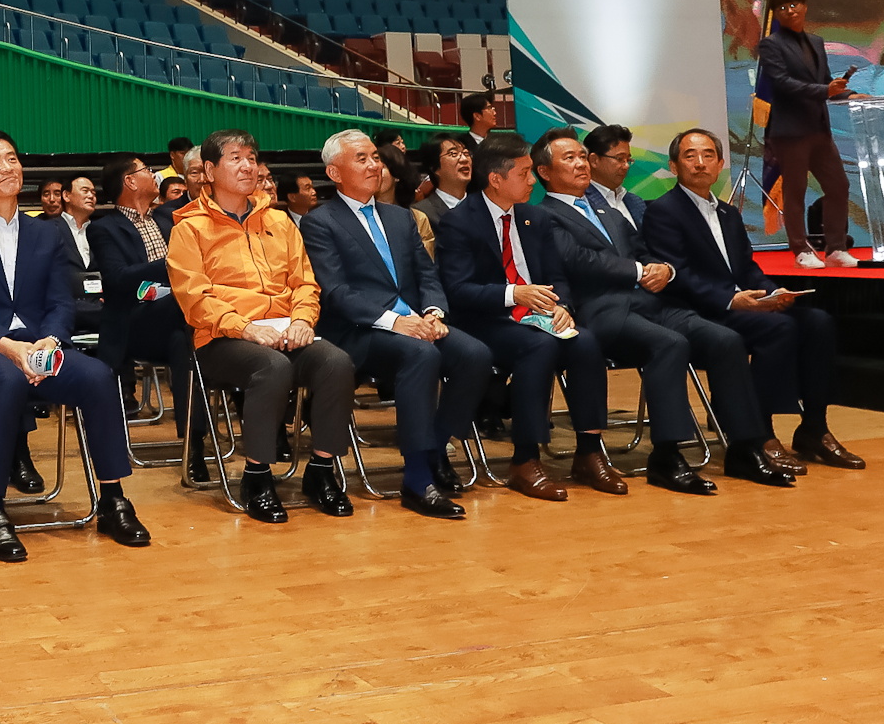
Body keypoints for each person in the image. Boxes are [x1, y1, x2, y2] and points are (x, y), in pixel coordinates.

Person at [0, 130, 151, 562]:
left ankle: (113, 499)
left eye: (11, 158)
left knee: (97, 376)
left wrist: (50, 341)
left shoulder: (45, 234)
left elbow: (59, 301)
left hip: (38, 343)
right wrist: (9, 348)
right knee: (6, 381)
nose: (7, 167)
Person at [529, 128, 776, 494]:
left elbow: (641, 248)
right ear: (544, 172)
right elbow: (578, 260)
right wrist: (641, 271)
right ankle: (666, 454)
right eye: (570, 159)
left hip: (651, 302)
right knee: (669, 344)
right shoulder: (543, 215)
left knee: (725, 338)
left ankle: (744, 445)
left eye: (583, 156)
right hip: (602, 311)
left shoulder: (604, 208)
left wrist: (664, 269)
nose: (581, 163)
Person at [643, 129, 866, 474]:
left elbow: (748, 267)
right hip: (701, 311)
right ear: (674, 166)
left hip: (744, 305)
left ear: (719, 164)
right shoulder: (663, 211)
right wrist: (733, 300)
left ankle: (814, 428)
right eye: (690, 156)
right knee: (777, 330)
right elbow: (678, 275)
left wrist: (772, 293)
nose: (700, 163)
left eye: (707, 156)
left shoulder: (729, 214)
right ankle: (759, 433)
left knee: (818, 321)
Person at [166, 130, 354, 524]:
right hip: (221, 340)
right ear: (210, 171)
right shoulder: (189, 227)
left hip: (284, 330)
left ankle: (321, 472)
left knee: (335, 361)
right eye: (236, 158)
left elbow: (305, 282)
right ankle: (257, 477)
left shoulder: (280, 221)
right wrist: (245, 327)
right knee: (272, 366)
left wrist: (303, 320)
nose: (248, 165)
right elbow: (194, 297)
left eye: (252, 157)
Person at [302, 130, 491, 520]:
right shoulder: (320, 222)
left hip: (417, 322)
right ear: (335, 173)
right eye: (362, 159)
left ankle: (434, 448)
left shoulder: (400, 216)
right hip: (358, 332)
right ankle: (418, 480)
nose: (374, 165)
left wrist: (435, 312)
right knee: (420, 355)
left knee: (475, 354)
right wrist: (395, 322)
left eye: (375, 157)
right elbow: (336, 292)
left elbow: (427, 275)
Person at [434, 133, 612, 503]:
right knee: (537, 346)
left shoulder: (535, 218)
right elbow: (458, 290)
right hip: (485, 320)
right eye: (525, 173)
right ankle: (525, 458)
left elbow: (557, 276)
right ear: (496, 179)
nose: (533, 180)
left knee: (587, 341)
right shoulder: (459, 222)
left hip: (539, 315)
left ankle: (589, 451)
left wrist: (561, 305)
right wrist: (513, 294)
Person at [90, 153, 197, 468]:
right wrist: (171, 266)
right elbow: (117, 278)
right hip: (134, 320)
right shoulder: (104, 228)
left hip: (175, 322)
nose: (155, 175)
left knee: (184, 345)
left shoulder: (166, 219)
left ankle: (194, 443)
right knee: (187, 301)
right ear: (130, 181)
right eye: (147, 171)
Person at [756, 0, 856, 268]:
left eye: (794, 5)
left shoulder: (816, 41)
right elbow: (784, 85)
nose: (790, 11)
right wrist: (826, 91)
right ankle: (800, 249)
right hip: (789, 131)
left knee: (838, 185)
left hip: (819, 129)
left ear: (804, 7)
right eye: (783, 8)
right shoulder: (770, 45)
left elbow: (824, 79)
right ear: (775, 14)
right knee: (795, 191)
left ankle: (836, 248)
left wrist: (849, 93)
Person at [582, 124, 648, 229]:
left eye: (628, 160)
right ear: (594, 160)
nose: (626, 166)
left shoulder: (635, 202)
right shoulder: (582, 204)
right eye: (620, 158)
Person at [414, 135, 470, 231]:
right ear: (433, 166)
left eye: (466, 153)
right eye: (453, 154)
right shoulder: (421, 213)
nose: (464, 159)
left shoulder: (484, 207)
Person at [454, 92, 497, 159]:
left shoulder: (497, 142)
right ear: (477, 116)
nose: (494, 113)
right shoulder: (460, 145)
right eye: (489, 108)